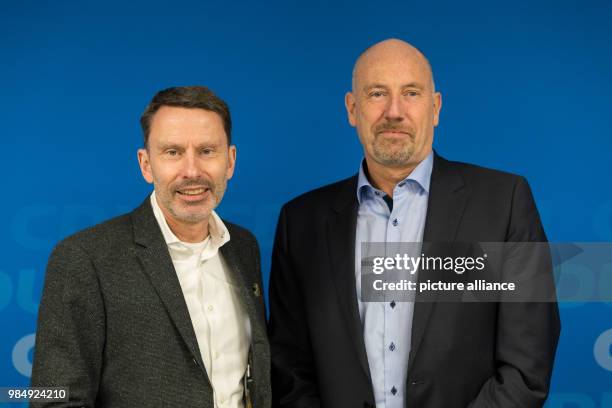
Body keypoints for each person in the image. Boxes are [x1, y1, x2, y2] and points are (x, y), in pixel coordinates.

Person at [268, 39, 560, 408]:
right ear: (352, 109)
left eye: (411, 93)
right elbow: (289, 371)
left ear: (435, 108)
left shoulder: (504, 204)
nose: (394, 111)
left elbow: (526, 365)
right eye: (377, 94)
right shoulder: (301, 222)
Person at [31, 86, 270, 408]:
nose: (191, 171)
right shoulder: (84, 258)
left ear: (230, 161)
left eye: (207, 151)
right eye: (172, 152)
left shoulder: (243, 247)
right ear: (146, 164)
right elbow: (53, 399)